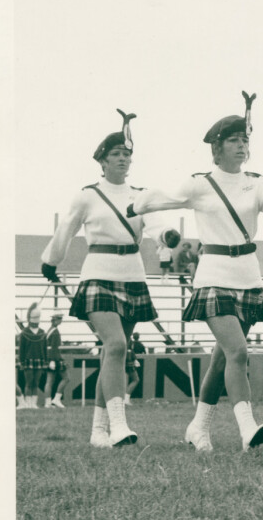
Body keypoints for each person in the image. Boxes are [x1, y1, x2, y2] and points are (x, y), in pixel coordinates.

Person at [132, 92, 263, 452]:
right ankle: (247, 428)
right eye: (233, 140)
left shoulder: (255, 182)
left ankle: (198, 427)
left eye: (244, 140)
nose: (241, 146)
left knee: (223, 357)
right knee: (238, 352)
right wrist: (137, 203)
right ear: (218, 147)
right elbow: (161, 198)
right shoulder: (200, 184)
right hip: (213, 276)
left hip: (248, 276)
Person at [41, 109, 179, 446]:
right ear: (102, 161)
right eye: (116, 154)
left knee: (113, 353)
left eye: (126, 155)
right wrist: (50, 260)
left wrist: (168, 236)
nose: (122, 159)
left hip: (132, 275)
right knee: (116, 345)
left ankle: (98, 432)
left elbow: (157, 224)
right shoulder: (87, 195)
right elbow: (65, 230)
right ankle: (119, 425)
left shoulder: (141, 195)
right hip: (98, 275)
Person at [18, 304, 50, 409]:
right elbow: (21, 349)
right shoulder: (24, 333)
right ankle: (28, 403)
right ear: (29, 320)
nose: (35, 324)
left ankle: (33, 403)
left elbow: (45, 349)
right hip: (28, 361)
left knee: (36, 382)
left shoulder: (42, 333)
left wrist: (45, 361)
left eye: (37, 322)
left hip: (40, 360)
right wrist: (21, 362)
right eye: (33, 322)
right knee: (29, 382)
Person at [44, 312, 67, 409]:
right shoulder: (55, 332)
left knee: (49, 381)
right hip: (55, 359)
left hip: (50, 358)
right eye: (60, 319)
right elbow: (54, 348)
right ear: (56, 320)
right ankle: (56, 399)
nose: (61, 321)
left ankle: (48, 403)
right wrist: (54, 360)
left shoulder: (50, 330)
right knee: (66, 378)